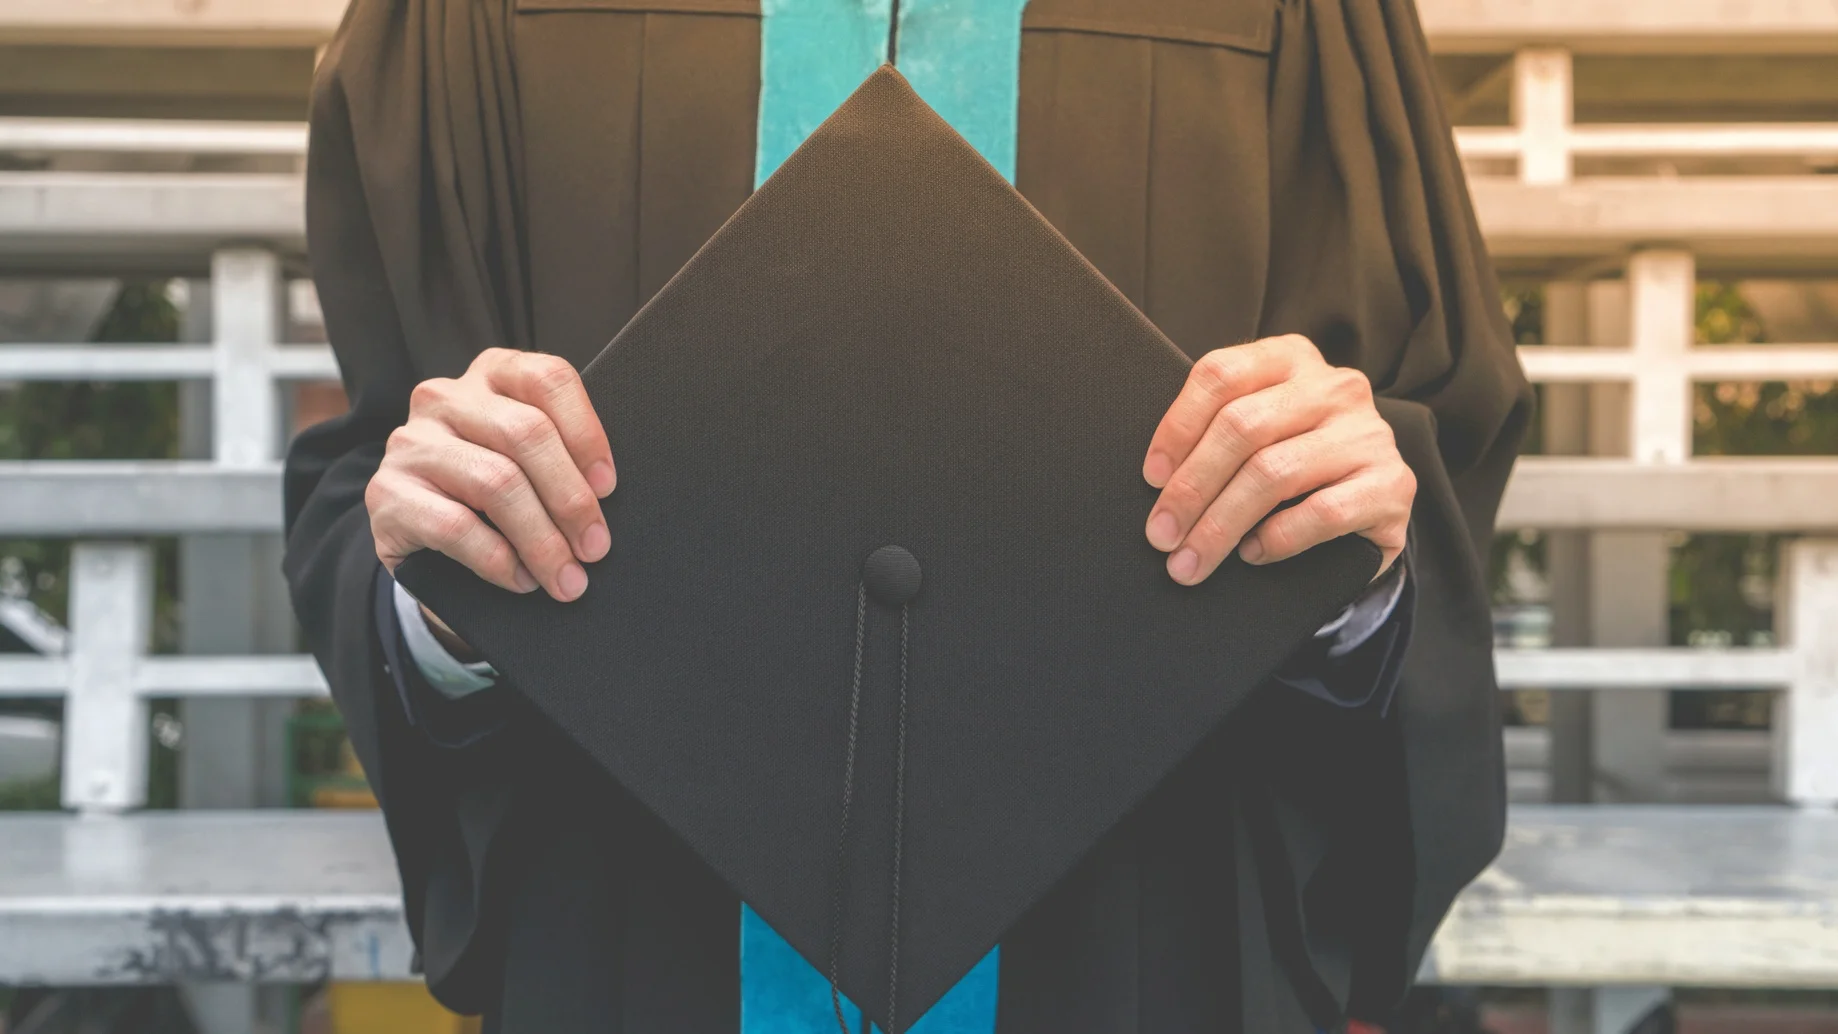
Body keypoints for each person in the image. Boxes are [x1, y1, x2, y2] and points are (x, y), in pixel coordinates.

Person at [283, 1, 1531, 1031]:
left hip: (1144, 941)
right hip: (635, 933)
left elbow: (1411, 446)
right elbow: (391, 451)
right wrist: (448, 584)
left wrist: (1341, 557)